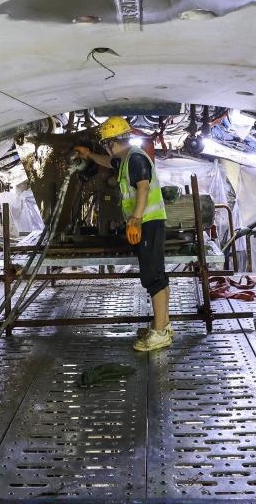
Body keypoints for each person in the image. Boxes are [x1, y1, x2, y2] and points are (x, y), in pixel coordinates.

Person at [73, 116, 172, 352]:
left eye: (106, 143)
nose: (107, 148)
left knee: (153, 277)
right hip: (148, 222)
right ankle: (164, 326)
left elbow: (143, 188)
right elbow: (109, 162)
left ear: (113, 141)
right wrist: (88, 155)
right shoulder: (127, 159)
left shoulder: (136, 159)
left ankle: (159, 333)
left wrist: (135, 219)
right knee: (157, 274)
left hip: (147, 222)